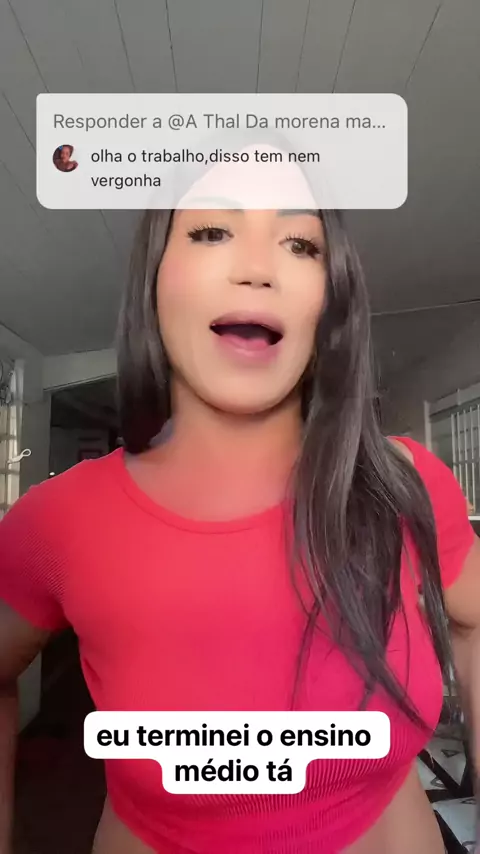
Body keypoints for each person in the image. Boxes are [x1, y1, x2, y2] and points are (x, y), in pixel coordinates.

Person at [1, 146, 480, 854]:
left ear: (329, 300)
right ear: (154, 281)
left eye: (299, 244)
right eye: (211, 231)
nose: (258, 267)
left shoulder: (404, 481)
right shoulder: (56, 522)